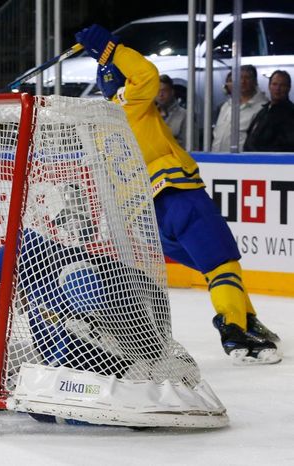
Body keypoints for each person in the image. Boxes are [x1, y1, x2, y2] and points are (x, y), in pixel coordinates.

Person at [58, 24, 280, 365]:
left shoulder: (99, 128)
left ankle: (247, 319)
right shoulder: (130, 103)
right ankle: (235, 333)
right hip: (178, 196)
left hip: (150, 220)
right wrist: (111, 52)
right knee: (222, 265)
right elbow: (147, 73)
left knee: (216, 268)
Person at [211, 65, 268, 152]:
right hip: (216, 160)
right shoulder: (226, 105)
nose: (242, 81)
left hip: (242, 162)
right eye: (239, 78)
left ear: (255, 81)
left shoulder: (262, 108)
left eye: (247, 78)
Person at [243, 70, 294, 152]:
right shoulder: (264, 111)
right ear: (269, 86)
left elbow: (287, 146)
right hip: (250, 161)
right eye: (274, 84)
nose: (278, 88)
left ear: (289, 88)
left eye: (282, 85)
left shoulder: (291, 114)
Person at [155, 74, 187, 149]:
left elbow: (190, 148)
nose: (160, 94)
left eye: (164, 91)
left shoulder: (185, 115)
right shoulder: (149, 115)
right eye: (157, 91)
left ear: (172, 92)